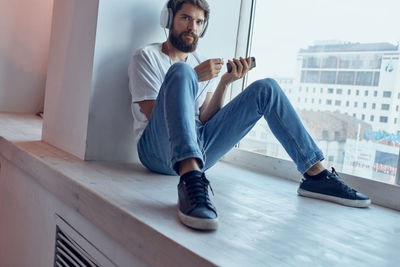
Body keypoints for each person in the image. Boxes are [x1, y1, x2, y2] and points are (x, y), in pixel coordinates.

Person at [128, 0, 371, 231]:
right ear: (168, 18)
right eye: (185, 18)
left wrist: (224, 82)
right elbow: (155, 116)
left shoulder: (200, 62)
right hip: (158, 152)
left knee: (267, 88)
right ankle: (191, 181)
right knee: (181, 71)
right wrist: (193, 75)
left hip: (199, 146)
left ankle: (316, 174)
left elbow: (203, 119)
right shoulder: (146, 57)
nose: (193, 27)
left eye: (200, 22)